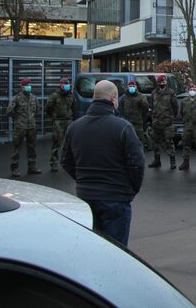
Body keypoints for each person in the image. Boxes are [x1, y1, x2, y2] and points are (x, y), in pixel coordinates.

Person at [61, 80, 145, 246]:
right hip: (116, 198)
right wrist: (130, 189)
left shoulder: (75, 127)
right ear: (113, 98)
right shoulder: (123, 127)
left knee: (92, 248)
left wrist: (84, 180)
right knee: (116, 251)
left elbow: (65, 160)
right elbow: (137, 163)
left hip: (86, 197)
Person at [7, 78, 41, 177]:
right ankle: (14, 169)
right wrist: (18, 118)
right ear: (22, 86)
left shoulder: (34, 98)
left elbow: (37, 110)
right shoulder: (16, 98)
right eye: (27, 85)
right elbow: (9, 111)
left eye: (30, 85)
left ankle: (32, 167)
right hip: (20, 126)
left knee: (32, 147)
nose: (29, 87)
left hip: (31, 126)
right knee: (16, 147)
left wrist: (31, 119)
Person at [45, 77, 76, 172]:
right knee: (56, 143)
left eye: (68, 84)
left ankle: (70, 163)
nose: (67, 85)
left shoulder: (71, 96)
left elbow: (74, 107)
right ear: (61, 85)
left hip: (68, 120)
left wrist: (70, 116)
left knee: (71, 143)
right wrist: (54, 116)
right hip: (58, 121)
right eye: (65, 84)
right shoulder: (55, 96)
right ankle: (54, 163)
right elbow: (48, 108)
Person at [148, 74, 179, 170]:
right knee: (155, 142)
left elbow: (175, 107)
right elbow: (152, 106)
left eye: (164, 81)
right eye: (161, 82)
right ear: (158, 83)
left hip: (167, 122)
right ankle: (157, 160)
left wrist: (170, 117)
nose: (162, 83)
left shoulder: (171, 93)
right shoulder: (154, 93)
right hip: (156, 121)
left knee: (169, 141)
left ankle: (172, 162)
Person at [121, 80, 150, 150]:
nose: (132, 88)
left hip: (138, 123)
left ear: (136, 87)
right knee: (127, 141)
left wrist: (142, 118)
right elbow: (121, 108)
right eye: (130, 86)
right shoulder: (124, 97)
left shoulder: (141, 97)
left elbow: (146, 108)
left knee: (139, 141)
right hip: (127, 122)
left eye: (133, 86)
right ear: (127, 87)